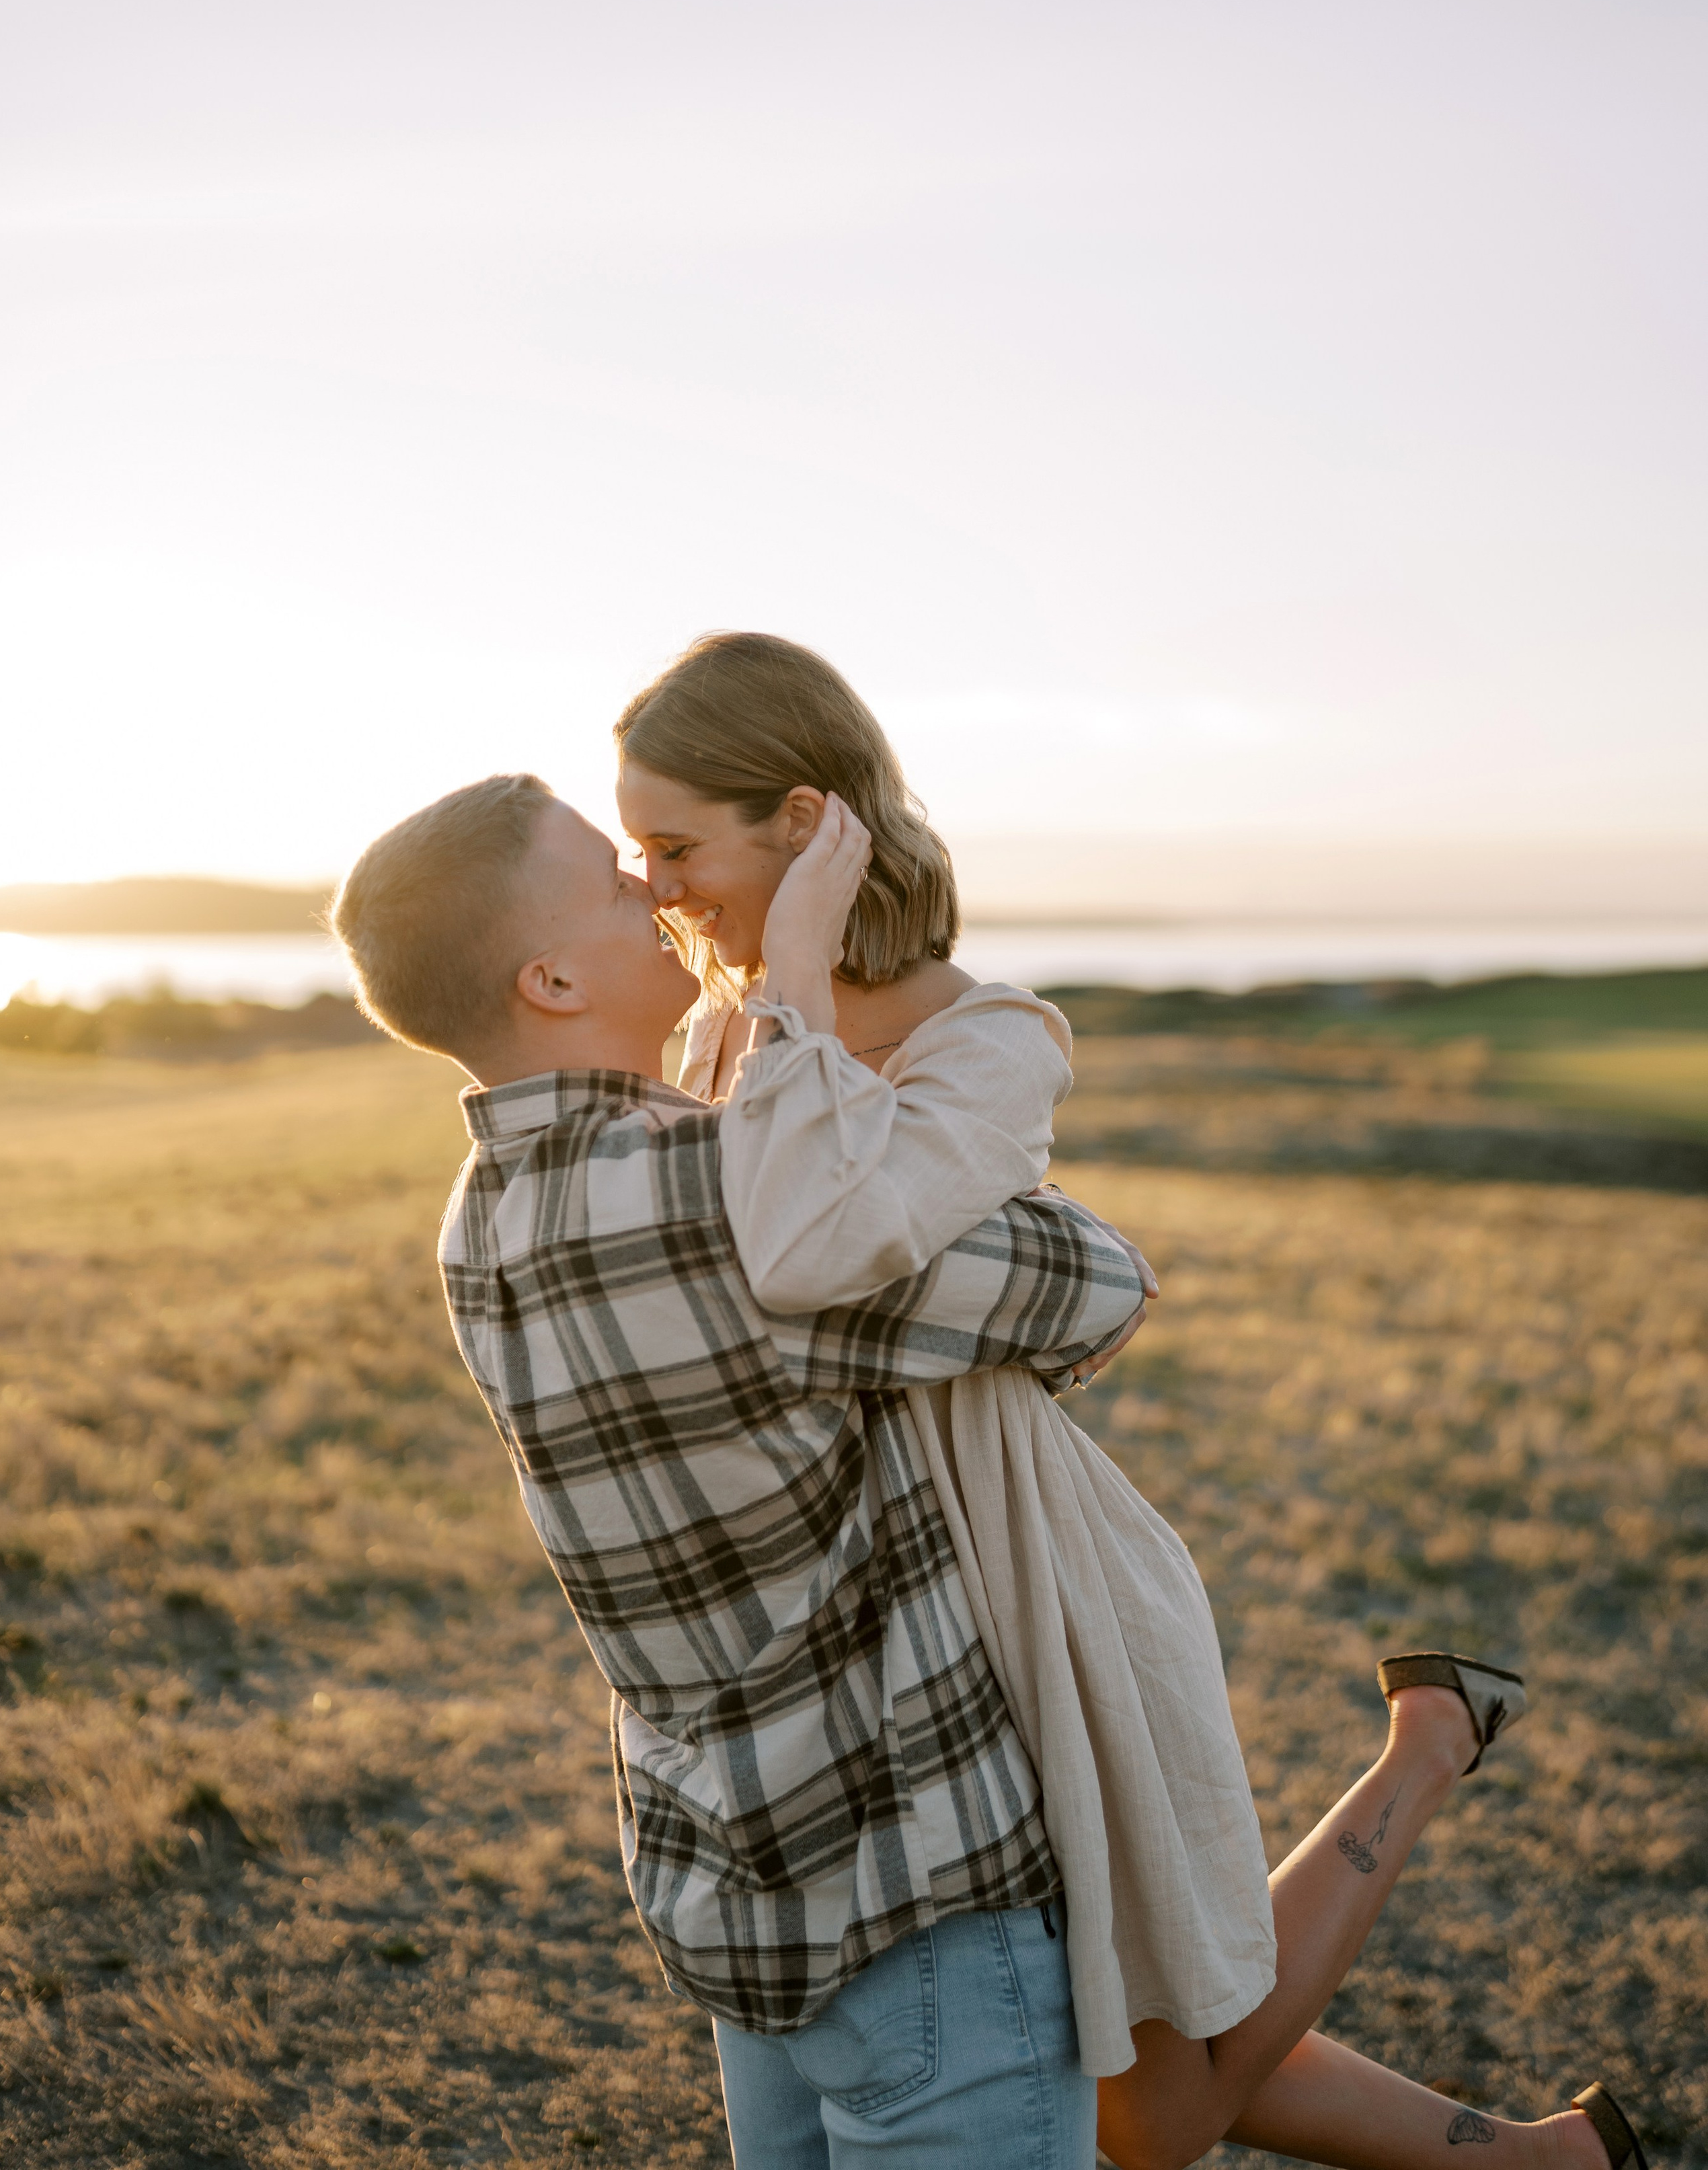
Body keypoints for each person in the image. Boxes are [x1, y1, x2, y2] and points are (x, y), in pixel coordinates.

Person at [613, 631, 1647, 2170]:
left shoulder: (986, 1041)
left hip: (1008, 1584)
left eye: (675, 845)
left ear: (808, 824)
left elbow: (805, 1248)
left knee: (1144, 2103)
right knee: (1086, 2049)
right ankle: (1539, 2158)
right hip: (822, 1617)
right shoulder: (722, 1031)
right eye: (635, 853)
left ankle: (1422, 1749)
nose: (657, 891)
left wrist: (804, 981)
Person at [327, 770, 1149, 2170]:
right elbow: (1090, 1285)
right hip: (916, 1893)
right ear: (550, 974)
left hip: (737, 1897)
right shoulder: (710, 1198)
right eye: (612, 879)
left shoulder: (481, 1215)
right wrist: (811, 1013)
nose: (655, 890)